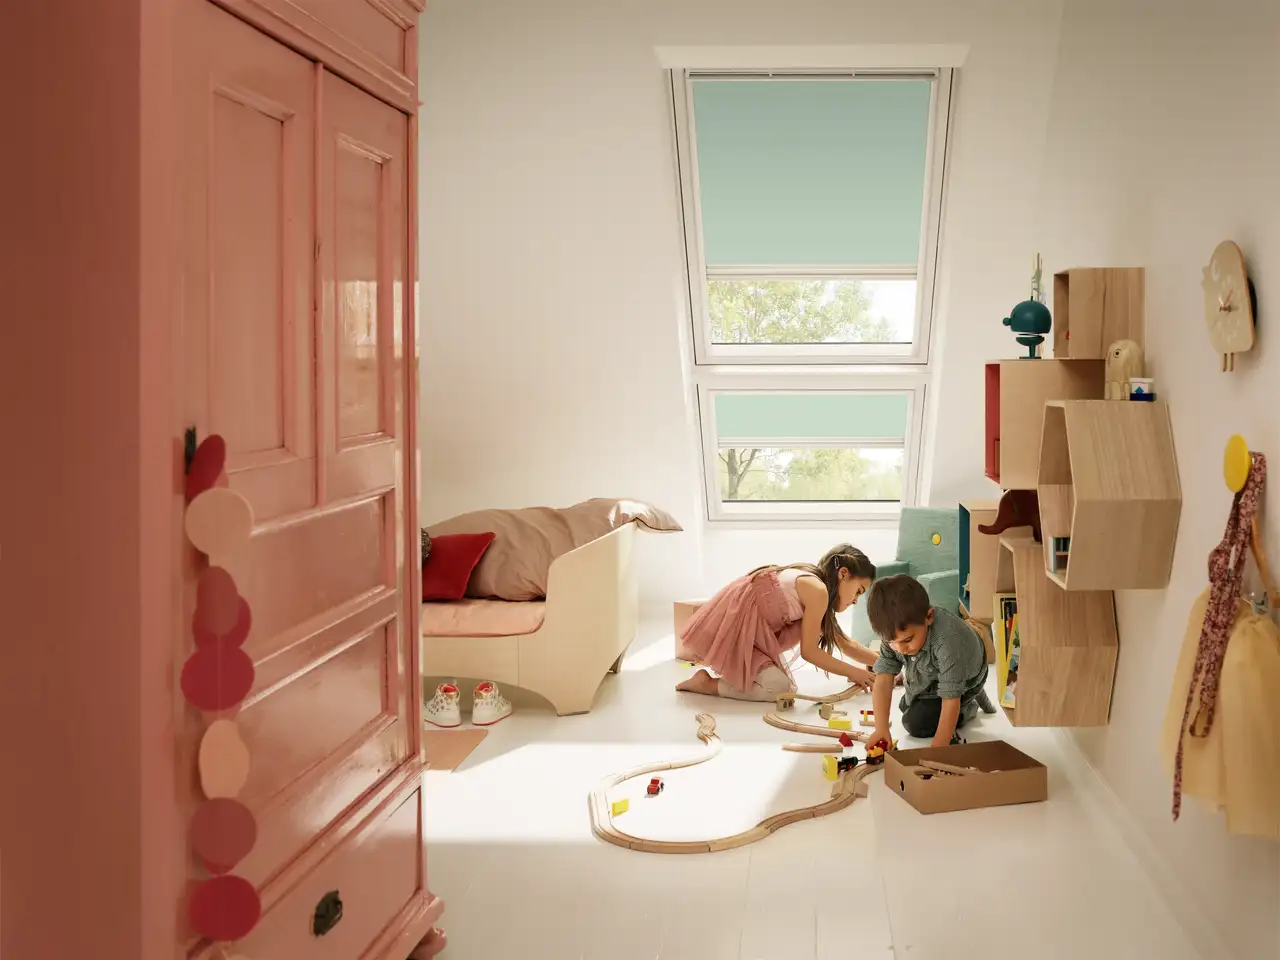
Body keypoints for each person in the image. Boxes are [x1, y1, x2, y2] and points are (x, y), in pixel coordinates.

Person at [675, 545, 880, 701]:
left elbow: (845, 643)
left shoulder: (815, 586)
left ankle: (725, 680)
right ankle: (709, 685)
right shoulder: (817, 590)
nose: (855, 600)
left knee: (780, 686)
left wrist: (885, 663)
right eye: (859, 591)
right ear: (843, 574)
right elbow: (809, 652)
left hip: (752, 636)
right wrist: (855, 673)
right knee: (780, 689)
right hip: (739, 632)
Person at [866, 574, 996, 748]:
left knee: (915, 723)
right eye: (892, 642)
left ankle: (967, 707)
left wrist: (937, 750)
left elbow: (950, 699)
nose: (901, 649)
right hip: (932, 668)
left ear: (929, 617)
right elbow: (883, 677)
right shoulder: (894, 630)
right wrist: (880, 729)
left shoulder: (947, 641)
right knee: (908, 708)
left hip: (968, 674)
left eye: (907, 640)